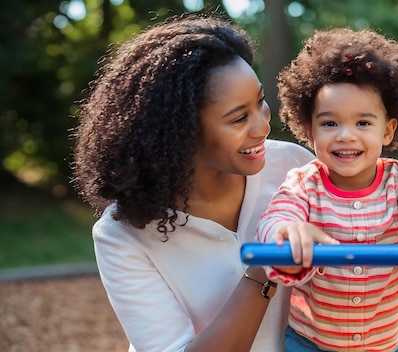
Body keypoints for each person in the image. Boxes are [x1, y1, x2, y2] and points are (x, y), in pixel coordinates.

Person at [70, 13, 329, 352]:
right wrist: (266, 269)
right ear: (180, 132)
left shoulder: (294, 168)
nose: (262, 127)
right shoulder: (123, 234)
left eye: (261, 102)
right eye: (239, 117)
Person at [256, 27, 398, 352]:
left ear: (388, 130)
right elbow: (279, 215)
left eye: (363, 123)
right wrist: (287, 232)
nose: (345, 135)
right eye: (329, 123)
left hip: (391, 344)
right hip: (312, 344)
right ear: (310, 132)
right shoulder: (304, 183)